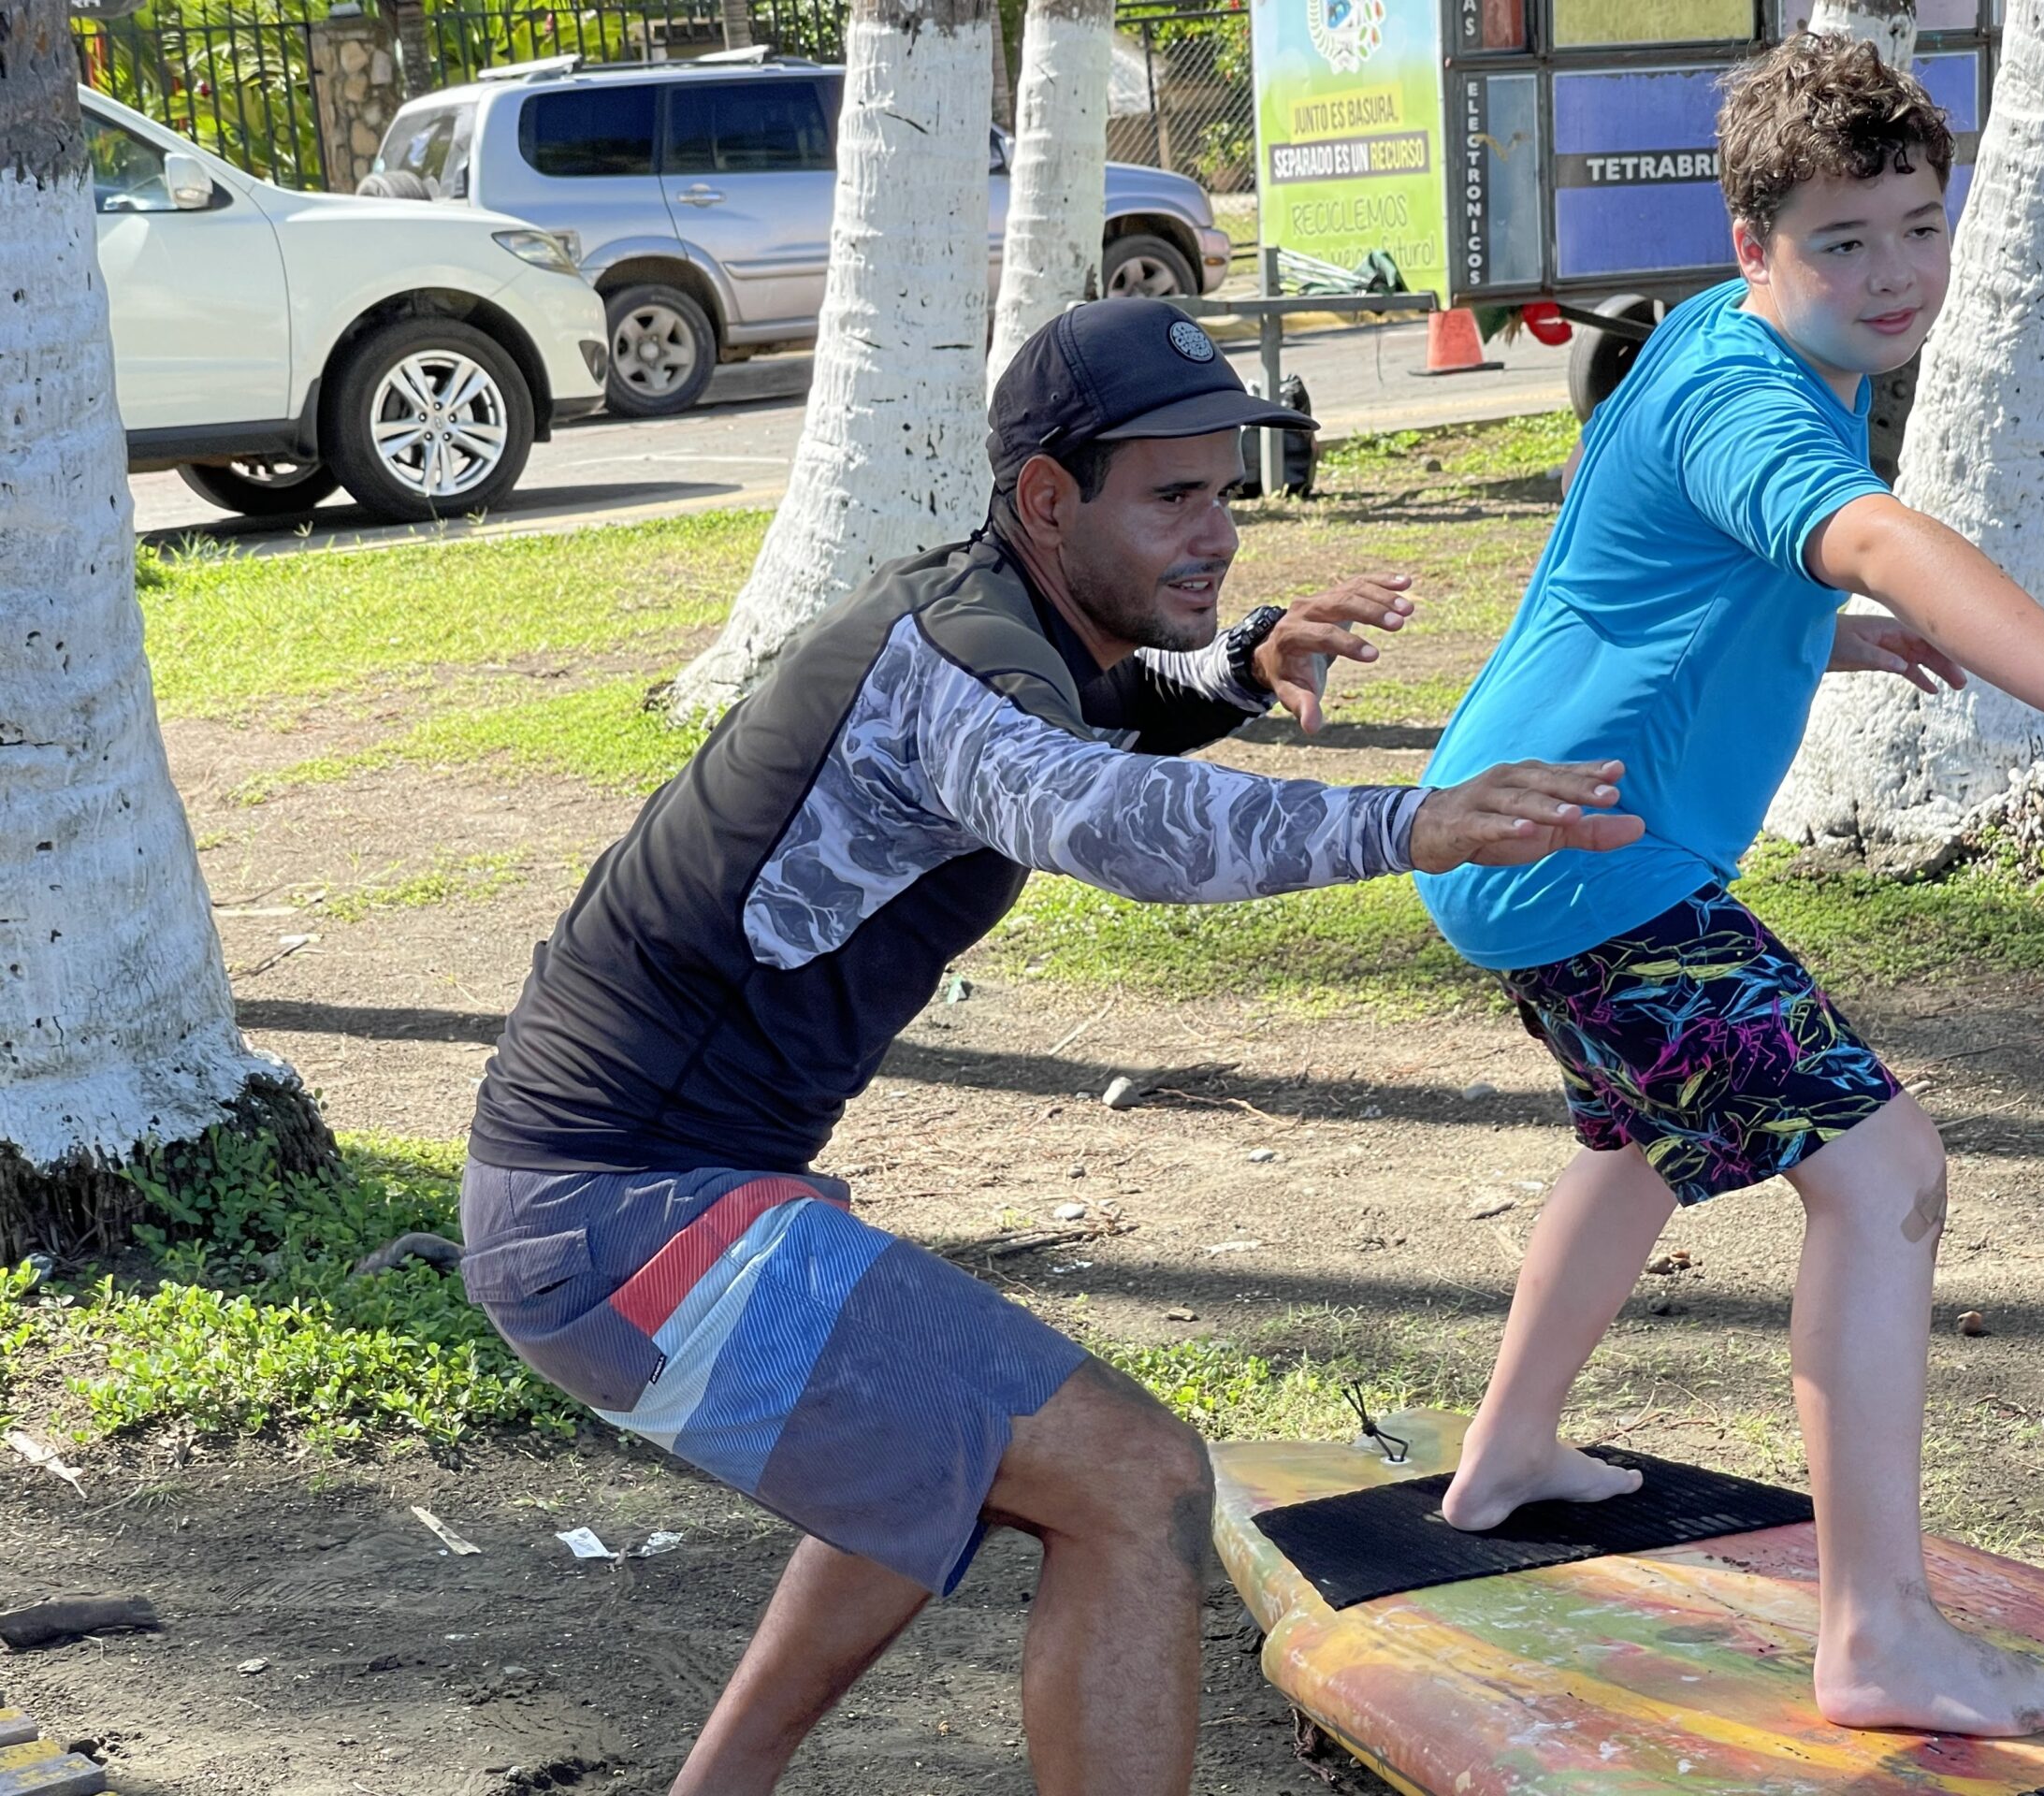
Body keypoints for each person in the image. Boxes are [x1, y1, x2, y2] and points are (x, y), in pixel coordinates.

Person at [455, 296, 1643, 1796]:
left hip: (632, 1199)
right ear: (1045, 497)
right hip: (622, 1224)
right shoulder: (959, 668)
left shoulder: (998, 613)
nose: (1215, 535)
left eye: (1226, 492)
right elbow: (1109, 817)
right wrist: (1408, 824)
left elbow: (1111, 707)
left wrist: (1237, 662)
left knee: (948, 1433)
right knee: (1136, 1484)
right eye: (1171, 498)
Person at [1414, 36, 2044, 1739]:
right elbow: (1874, 528)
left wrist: (1816, 630)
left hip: (1523, 835)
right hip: (1588, 864)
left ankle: (1509, 1452)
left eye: (1919, 226)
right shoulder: (1754, 393)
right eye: (1844, 242)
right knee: (1884, 1176)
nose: (1894, 276)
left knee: (1638, 1141)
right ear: (1754, 247)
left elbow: (1648, 566)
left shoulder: (1718, 342)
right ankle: (1877, 1633)